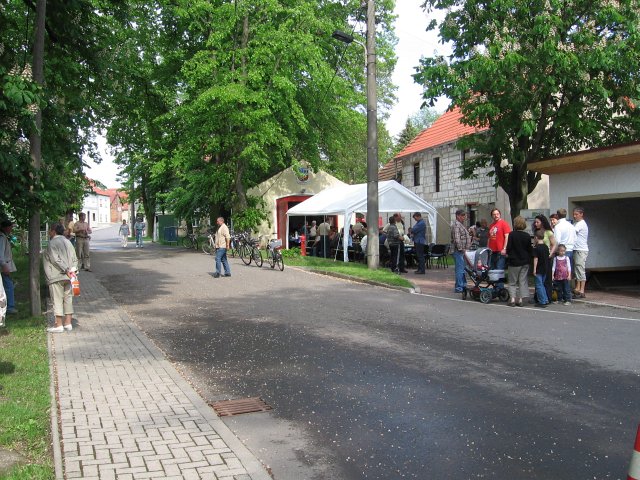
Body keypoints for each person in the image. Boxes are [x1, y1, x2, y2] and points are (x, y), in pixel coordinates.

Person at [43, 223, 78, 333]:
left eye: (50, 231)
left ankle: (58, 324)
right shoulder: (68, 242)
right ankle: (68, 323)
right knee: (68, 298)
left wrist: (66, 269)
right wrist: (72, 271)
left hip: (56, 275)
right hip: (69, 276)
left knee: (57, 299)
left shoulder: (52, 243)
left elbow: (55, 259)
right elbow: (74, 258)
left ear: (53, 231)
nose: (49, 233)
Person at [506, 216, 532, 307]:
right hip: (525, 261)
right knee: (522, 281)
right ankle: (520, 299)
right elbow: (529, 249)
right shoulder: (527, 236)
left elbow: (509, 248)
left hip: (514, 261)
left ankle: (512, 299)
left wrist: (507, 254)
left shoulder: (512, 234)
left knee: (512, 281)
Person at [532, 214, 556, 302]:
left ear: (542, 222)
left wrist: (551, 253)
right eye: (535, 222)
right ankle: (539, 297)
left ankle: (547, 297)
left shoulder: (548, 232)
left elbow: (554, 244)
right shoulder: (537, 232)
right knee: (539, 279)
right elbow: (535, 243)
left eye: (537, 222)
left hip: (546, 257)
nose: (536, 224)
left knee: (546, 279)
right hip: (539, 255)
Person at [488, 208, 511, 289]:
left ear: (500, 214)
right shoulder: (491, 225)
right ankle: (495, 287)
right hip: (492, 251)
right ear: (492, 216)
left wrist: (504, 248)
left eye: (497, 214)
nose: (496, 216)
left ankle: (500, 288)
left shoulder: (503, 224)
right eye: (494, 214)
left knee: (499, 269)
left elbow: (507, 237)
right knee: (493, 270)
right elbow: (489, 238)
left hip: (500, 251)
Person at [451, 209, 472, 293]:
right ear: (458, 216)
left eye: (464, 215)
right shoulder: (456, 225)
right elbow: (456, 238)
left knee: (461, 268)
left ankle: (461, 284)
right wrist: (461, 249)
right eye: (463, 215)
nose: (464, 217)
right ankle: (459, 287)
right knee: (460, 269)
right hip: (458, 251)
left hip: (462, 251)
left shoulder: (460, 225)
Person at [0, 220, 17, 315]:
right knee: (9, 286)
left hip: (5, 264)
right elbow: (1, 254)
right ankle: (10, 307)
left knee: (7, 285)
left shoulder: (3, 237)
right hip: (4, 265)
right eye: (10, 227)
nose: (11, 229)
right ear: (5, 227)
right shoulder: (2, 238)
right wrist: (4, 266)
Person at [572, 207, 589, 298]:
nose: (574, 216)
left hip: (581, 249)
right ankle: (578, 288)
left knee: (580, 269)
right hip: (576, 249)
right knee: (576, 269)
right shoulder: (576, 223)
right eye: (574, 214)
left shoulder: (581, 224)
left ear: (581, 214)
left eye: (576, 214)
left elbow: (573, 231)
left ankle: (582, 290)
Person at [532, 230, 550, 308]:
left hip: (539, 268)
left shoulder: (536, 248)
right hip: (545, 268)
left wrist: (534, 269)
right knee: (542, 284)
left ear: (536, 237)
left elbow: (536, 259)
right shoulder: (546, 247)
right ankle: (545, 299)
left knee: (539, 285)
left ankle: (542, 301)